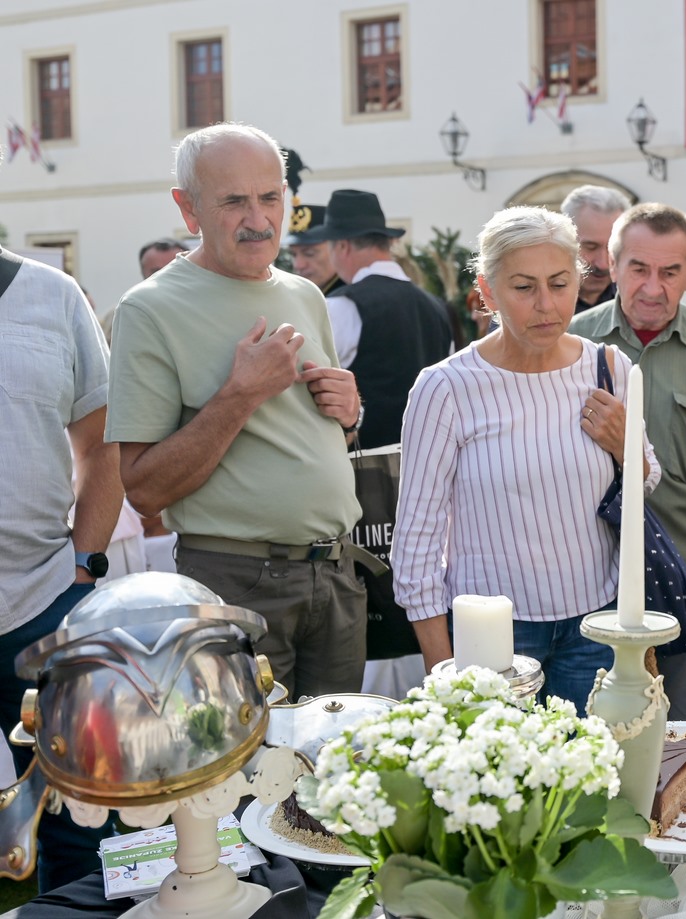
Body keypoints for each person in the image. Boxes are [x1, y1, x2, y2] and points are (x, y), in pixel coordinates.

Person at [107, 123, 369, 701]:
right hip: (237, 582)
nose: (259, 219)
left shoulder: (305, 294)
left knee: (339, 755)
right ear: (189, 208)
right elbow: (144, 489)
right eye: (234, 202)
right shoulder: (149, 308)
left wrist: (350, 414)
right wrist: (240, 394)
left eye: (270, 197)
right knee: (252, 758)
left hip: (336, 574)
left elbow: (320, 436)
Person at [392, 206, 659, 715]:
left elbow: (645, 480)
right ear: (487, 291)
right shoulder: (446, 387)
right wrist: (443, 672)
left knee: (593, 764)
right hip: (491, 637)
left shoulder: (608, 367)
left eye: (559, 284)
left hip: (596, 626)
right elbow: (416, 541)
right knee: (502, 767)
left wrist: (625, 446)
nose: (546, 305)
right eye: (523, 287)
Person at [570, 203, 686, 721]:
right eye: (639, 269)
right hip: (593, 576)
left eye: (670, 272)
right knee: (594, 732)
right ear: (612, 264)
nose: (653, 287)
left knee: (678, 731)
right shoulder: (573, 344)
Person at [0, 243, 119, 891]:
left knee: (80, 816)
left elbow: (102, 444)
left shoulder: (53, 295)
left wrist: (83, 570)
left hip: (45, 600)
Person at [296, 188, 454, 448]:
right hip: (429, 461)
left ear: (342, 246)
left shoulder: (342, 306)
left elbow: (308, 387)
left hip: (367, 465)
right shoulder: (437, 308)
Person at [560, 184, 630, 313]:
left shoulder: (637, 302)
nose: (603, 264)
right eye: (591, 247)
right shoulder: (539, 301)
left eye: (612, 248)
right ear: (564, 239)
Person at [284, 202, 346, 296]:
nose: (298, 265)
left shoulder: (352, 300)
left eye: (309, 254)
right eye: (293, 254)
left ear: (340, 248)